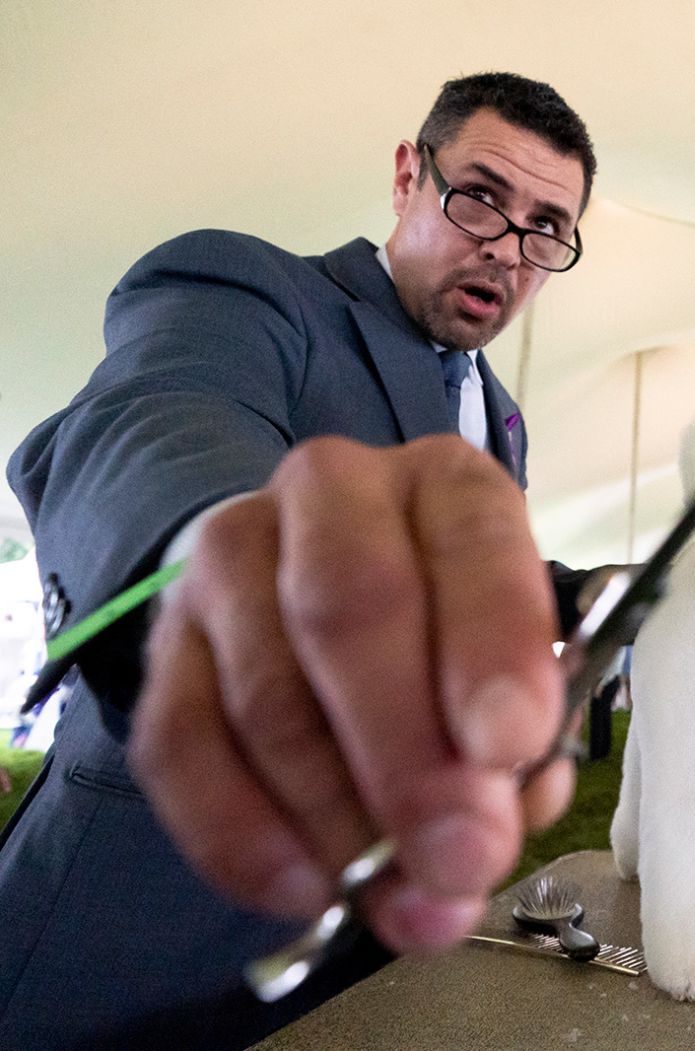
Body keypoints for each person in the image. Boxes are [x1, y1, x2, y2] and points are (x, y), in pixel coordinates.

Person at [0, 73, 599, 1050]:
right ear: (409, 174)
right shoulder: (251, 291)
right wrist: (222, 562)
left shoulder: (500, 416)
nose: (507, 244)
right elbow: (161, 418)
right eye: (481, 195)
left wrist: (579, 593)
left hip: (355, 961)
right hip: (132, 933)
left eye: (546, 226)